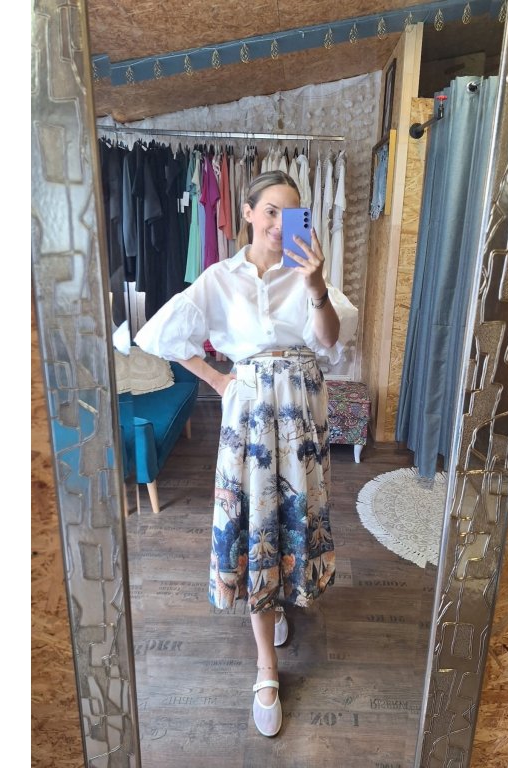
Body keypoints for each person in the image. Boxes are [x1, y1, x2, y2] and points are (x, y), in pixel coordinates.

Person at [134, 170, 358, 737]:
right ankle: (266, 666)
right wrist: (217, 380)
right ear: (249, 213)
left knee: (292, 516)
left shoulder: (308, 273)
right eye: (272, 211)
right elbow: (162, 333)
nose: (281, 224)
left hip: (302, 413)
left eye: (293, 213)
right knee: (257, 522)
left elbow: (330, 340)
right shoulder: (220, 278)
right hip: (251, 414)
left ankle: (280, 601)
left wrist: (316, 286)